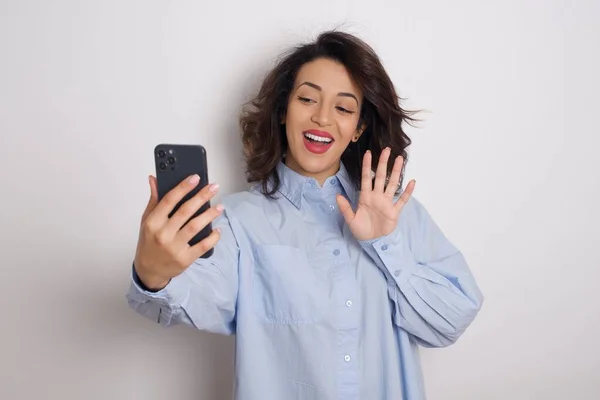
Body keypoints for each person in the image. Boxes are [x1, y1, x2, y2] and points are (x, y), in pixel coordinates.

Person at [126, 30, 484, 400]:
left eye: (344, 108)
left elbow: (451, 320)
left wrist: (384, 245)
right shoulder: (236, 221)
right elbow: (192, 297)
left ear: (359, 127)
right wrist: (153, 274)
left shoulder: (395, 211)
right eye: (307, 99)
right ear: (283, 111)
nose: (322, 118)